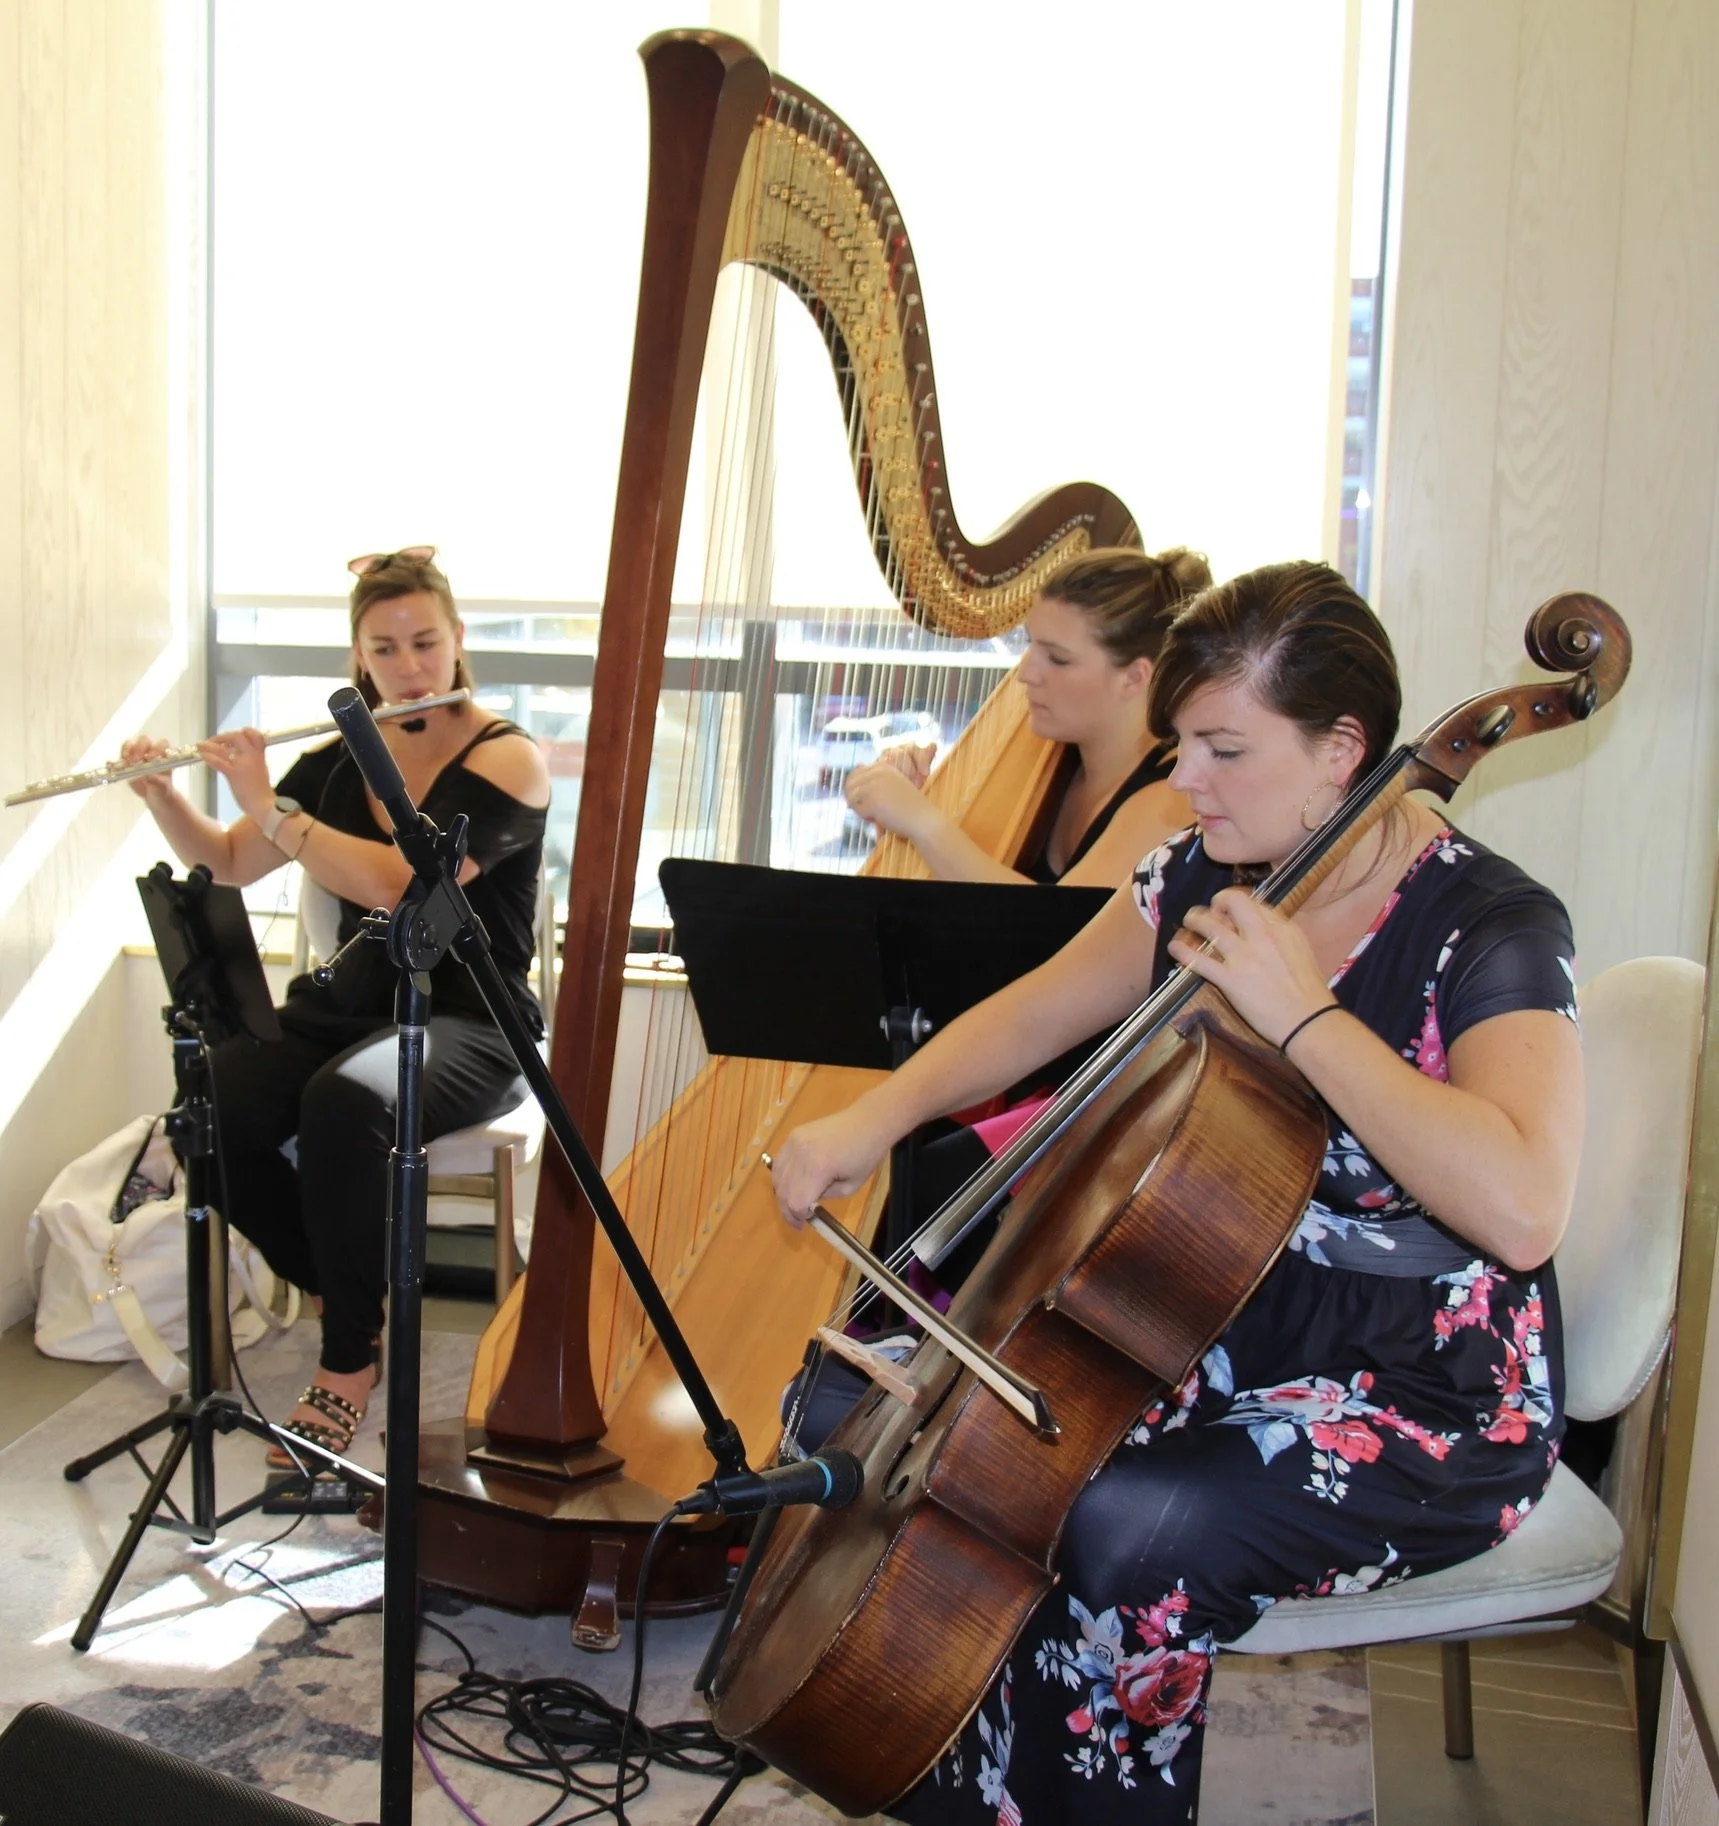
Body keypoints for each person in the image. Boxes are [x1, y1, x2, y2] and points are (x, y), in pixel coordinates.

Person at [769, 559, 1582, 1824]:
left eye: (1222, 749)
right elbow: (1032, 1012)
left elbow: (1524, 1206)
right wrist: (872, 1117)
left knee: (1125, 1524)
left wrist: (1305, 1014)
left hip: (1418, 1380)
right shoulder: (1202, 873)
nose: (1184, 780)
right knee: (852, 1404)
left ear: (1341, 751)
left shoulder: (1492, 924)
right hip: (1199, 1312)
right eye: (1181, 744)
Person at [121, 546, 550, 1464]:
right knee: (210, 1108)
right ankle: (341, 1290)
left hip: (472, 1020)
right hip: (354, 1006)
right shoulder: (332, 763)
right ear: (359, 655)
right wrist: (163, 798)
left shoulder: (508, 757)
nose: (409, 667)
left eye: (424, 643)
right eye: (384, 649)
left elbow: (403, 884)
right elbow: (227, 862)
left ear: (457, 638)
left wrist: (270, 808)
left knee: (344, 1103)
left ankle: (346, 1362)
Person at [841, 547, 1210, 886]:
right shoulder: (1055, 760)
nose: (1026, 673)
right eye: (1030, 644)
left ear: (1134, 677)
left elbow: (1063, 925)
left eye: (1058, 658)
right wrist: (904, 812)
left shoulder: (1176, 797)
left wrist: (922, 821)